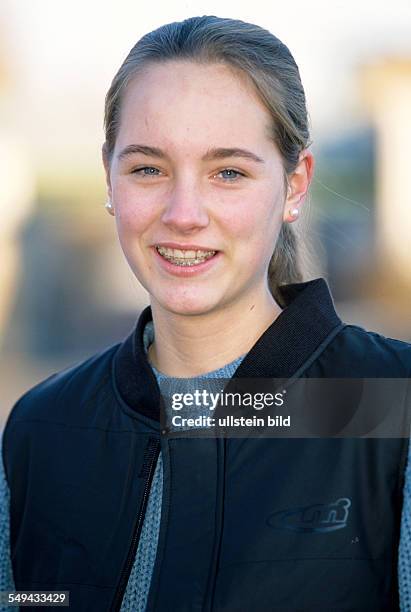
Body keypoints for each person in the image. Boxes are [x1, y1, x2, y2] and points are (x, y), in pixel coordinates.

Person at [1, 15, 411, 612]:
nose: (184, 213)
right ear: (110, 177)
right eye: (148, 168)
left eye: (228, 172)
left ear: (296, 185)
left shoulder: (393, 407)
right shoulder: (43, 430)